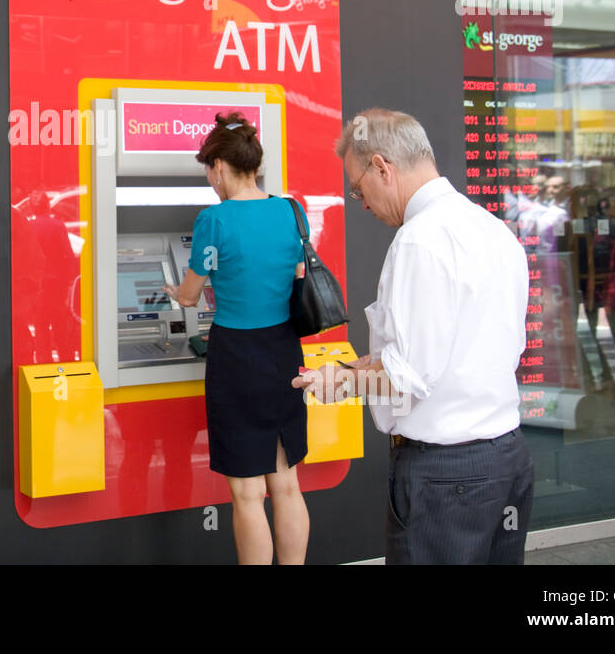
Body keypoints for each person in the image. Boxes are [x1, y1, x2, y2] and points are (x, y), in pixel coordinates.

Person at [296, 108, 533, 565]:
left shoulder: (418, 240)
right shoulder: (492, 229)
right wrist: (358, 366)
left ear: (382, 166)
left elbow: (408, 377)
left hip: (445, 476)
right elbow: (455, 352)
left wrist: (339, 383)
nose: (361, 203)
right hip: (506, 457)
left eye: (359, 189)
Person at [163, 112, 309, 565]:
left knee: (248, 494)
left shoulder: (214, 220)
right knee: (285, 484)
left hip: (236, 357)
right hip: (285, 352)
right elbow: (298, 274)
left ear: (220, 166)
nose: (209, 179)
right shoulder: (291, 210)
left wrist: (175, 291)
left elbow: (190, 294)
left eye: (208, 169)